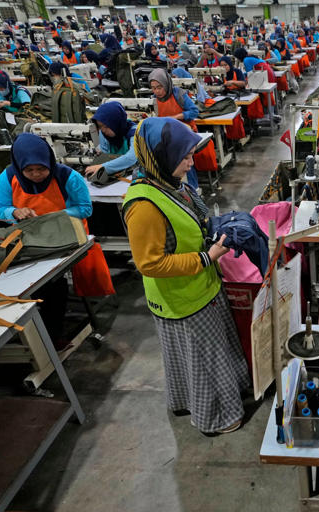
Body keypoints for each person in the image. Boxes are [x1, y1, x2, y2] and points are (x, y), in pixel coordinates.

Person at [122, 117, 249, 435]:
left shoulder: (170, 184)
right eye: (185, 156)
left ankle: (195, 401)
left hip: (200, 287)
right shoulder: (143, 206)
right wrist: (207, 257)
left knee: (208, 355)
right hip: (182, 298)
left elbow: (195, 219)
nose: (192, 162)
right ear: (161, 156)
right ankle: (215, 417)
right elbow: (149, 264)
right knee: (204, 360)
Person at [0, 133, 113, 346]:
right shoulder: (7, 176)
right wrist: (14, 212)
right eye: (29, 170)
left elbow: (85, 208)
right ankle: (29, 328)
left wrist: (55, 216)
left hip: (64, 236)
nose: (36, 175)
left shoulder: (67, 176)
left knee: (51, 283)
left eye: (41, 169)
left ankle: (52, 335)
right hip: (29, 238)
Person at [149, 68, 200, 188]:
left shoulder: (178, 94)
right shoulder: (153, 100)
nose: (157, 91)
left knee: (184, 159)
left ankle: (192, 188)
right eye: (153, 88)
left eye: (159, 87)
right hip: (167, 135)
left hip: (186, 133)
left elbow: (194, 111)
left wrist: (177, 117)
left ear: (166, 83)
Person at [84, 101, 137, 178]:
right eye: (100, 126)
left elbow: (131, 158)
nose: (103, 130)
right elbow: (105, 155)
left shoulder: (135, 133)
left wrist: (103, 167)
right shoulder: (104, 134)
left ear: (116, 123)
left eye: (106, 126)